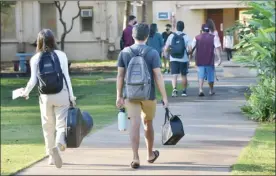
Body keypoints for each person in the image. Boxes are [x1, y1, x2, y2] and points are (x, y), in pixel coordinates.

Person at [20, 29, 76, 168]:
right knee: (61, 124)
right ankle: (59, 143)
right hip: (61, 93)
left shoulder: (35, 58)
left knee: (47, 127)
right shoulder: (61, 55)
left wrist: (26, 92)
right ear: (53, 40)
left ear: (38, 42)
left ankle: (51, 156)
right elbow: (66, 77)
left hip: (45, 97)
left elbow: (33, 80)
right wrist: (71, 96)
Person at [116, 23, 168, 169]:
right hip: (148, 95)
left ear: (133, 35)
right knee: (148, 123)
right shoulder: (152, 53)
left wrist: (119, 96)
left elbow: (120, 76)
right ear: (147, 37)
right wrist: (164, 97)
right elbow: (158, 75)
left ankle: (135, 157)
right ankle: (150, 154)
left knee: (134, 124)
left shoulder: (124, 52)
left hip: (130, 94)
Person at [192, 24, 222, 96]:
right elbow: (217, 48)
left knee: (201, 75)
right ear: (209, 30)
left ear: (202, 30)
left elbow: (191, 48)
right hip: (210, 60)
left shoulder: (196, 38)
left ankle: (200, 90)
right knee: (210, 76)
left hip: (200, 60)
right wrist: (219, 58)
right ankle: (211, 90)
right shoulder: (213, 38)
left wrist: (190, 57)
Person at [164, 21, 192, 97]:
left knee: (174, 75)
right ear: (183, 28)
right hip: (183, 59)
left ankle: (174, 90)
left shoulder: (171, 36)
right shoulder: (186, 36)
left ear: (176, 27)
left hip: (173, 58)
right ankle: (184, 91)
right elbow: (190, 49)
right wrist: (189, 55)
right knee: (184, 75)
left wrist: (166, 55)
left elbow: (166, 48)